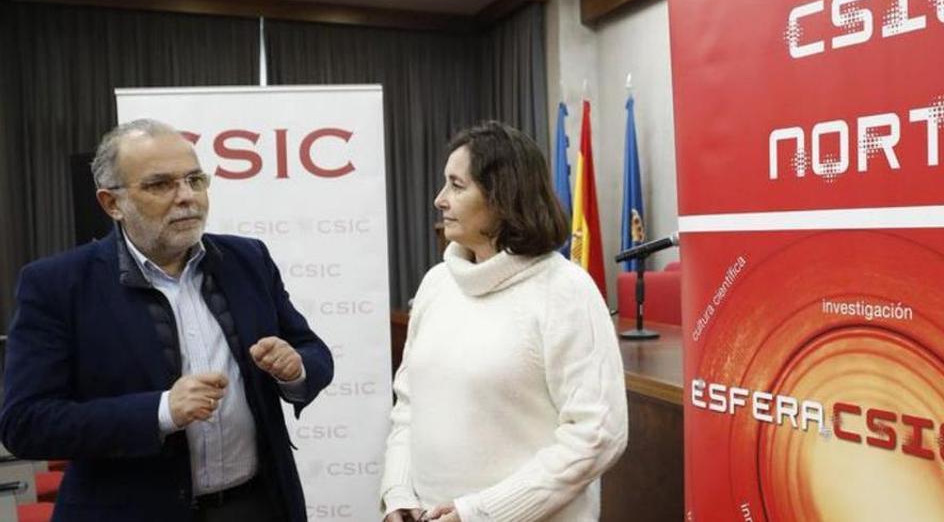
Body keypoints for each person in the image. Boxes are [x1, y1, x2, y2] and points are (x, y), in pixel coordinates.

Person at [0, 119, 334, 521]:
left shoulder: (248, 260)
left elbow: (312, 351)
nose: (187, 197)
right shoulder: (57, 285)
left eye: (195, 180)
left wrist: (295, 367)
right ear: (112, 203)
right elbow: (26, 423)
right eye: (160, 185)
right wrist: (160, 411)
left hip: (256, 505)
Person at [380, 122, 628, 522]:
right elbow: (409, 403)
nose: (439, 200)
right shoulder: (436, 284)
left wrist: (480, 512)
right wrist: (397, 493)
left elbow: (597, 435)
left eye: (457, 186)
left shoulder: (565, 291)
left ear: (502, 197)